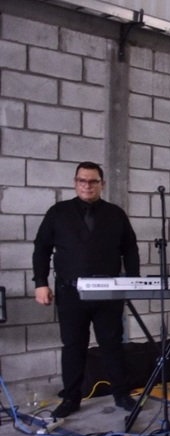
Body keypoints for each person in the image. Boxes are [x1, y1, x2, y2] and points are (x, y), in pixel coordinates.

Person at [32, 161, 140, 419]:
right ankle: (71, 398)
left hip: (108, 293)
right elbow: (41, 248)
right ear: (75, 182)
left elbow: (130, 249)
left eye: (93, 181)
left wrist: (132, 282)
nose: (87, 185)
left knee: (112, 344)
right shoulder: (58, 212)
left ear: (102, 184)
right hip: (71, 292)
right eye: (82, 180)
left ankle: (121, 394)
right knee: (73, 346)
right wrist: (40, 283)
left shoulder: (115, 214)